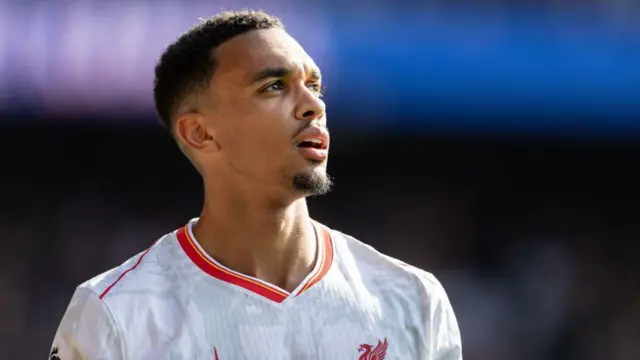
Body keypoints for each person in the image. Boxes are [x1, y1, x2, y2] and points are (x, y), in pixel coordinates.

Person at [50, 10, 462, 360]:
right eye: (274, 87)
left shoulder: (413, 300)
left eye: (314, 86)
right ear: (201, 134)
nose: (313, 105)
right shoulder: (116, 314)